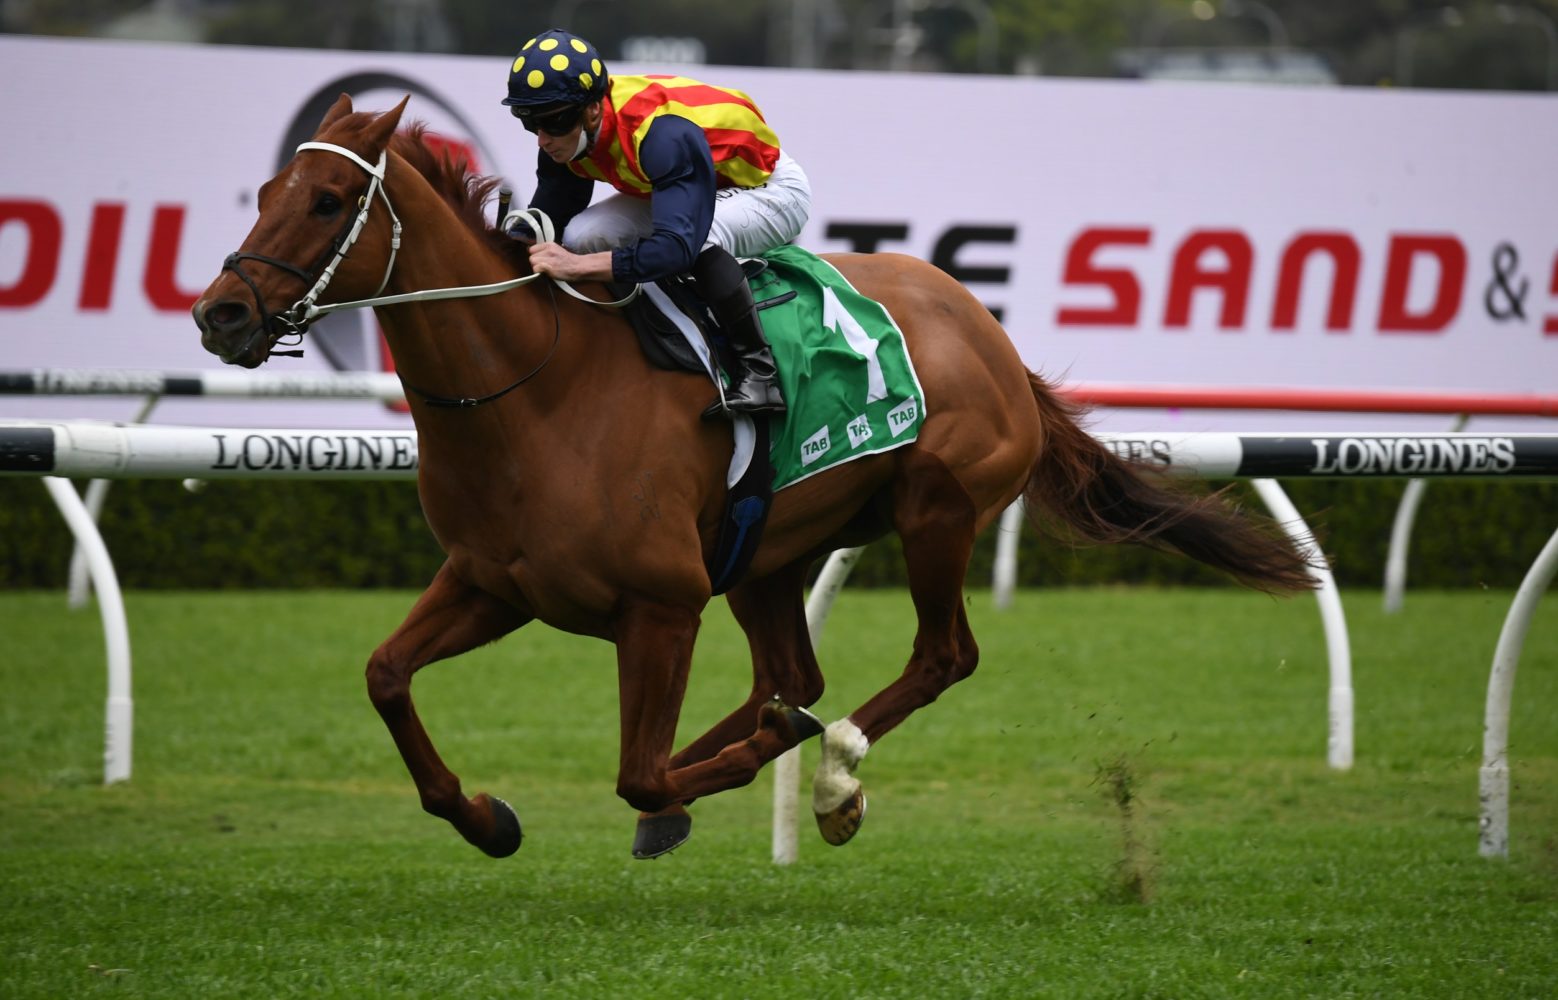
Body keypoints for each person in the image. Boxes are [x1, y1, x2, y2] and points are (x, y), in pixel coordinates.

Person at [502, 28, 811, 416]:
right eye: (530, 124)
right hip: (692, 180)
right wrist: (511, 243)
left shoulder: (660, 134)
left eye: (552, 123)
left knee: (700, 238)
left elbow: (676, 249)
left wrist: (577, 267)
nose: (543, 140)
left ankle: (760, 373)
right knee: (583, 235)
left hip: (770, 189)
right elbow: (555, 209)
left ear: (593, 109)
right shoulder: (568, 125)